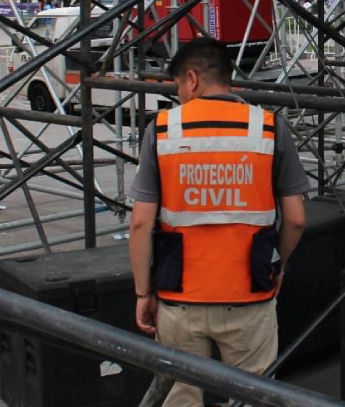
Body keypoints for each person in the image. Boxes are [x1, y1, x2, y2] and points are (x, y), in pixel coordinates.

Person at [128, 37, 309, 407]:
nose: (178, 94)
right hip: (250, 294)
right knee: (252, 396)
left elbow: (140, 225)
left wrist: (143, 292)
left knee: (179, 396)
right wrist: (279, 265)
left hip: (179, 298)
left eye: (178, 85)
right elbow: (296, 219)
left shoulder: (162, 131)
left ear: (191, 79)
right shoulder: (269, 128)